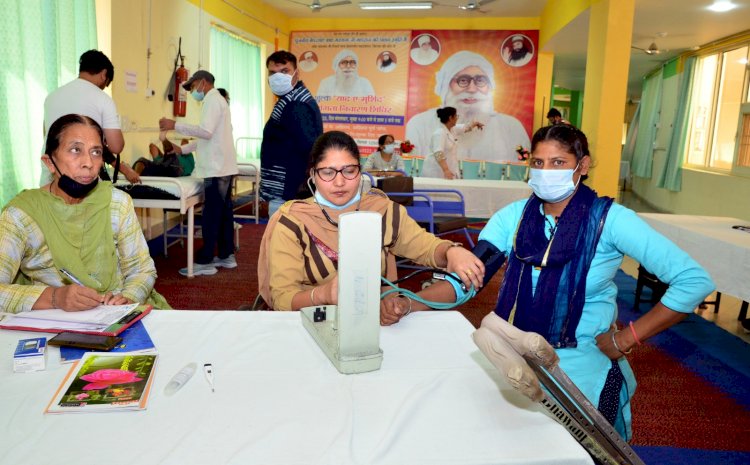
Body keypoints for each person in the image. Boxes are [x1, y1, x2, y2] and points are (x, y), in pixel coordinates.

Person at [403, 124, 715, 440]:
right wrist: (408, 303)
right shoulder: (513, 218)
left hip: (581, 370)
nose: (545, 172)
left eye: (558, 163)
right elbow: (467, 279)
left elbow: (693, 281)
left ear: (583, 165)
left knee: (588, 452)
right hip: (512, 358)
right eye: (538, 163)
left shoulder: (610, 220)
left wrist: (628, 338)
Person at [257, 131, 484, 323]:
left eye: (349, 171)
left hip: (370, 325)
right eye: (327, 172)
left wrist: (451, 251)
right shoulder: (292, 220)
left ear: (360, 171)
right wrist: (324, 295)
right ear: (313, 176)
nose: (339, 182)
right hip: (307, 325)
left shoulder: (382, 210)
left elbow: (424, 247)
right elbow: (283, 298)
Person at [0, 114, 170, 313]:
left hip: (119, 313)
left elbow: (141, 269)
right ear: (49, 162)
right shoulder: (21, 215)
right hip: (54, 317)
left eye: (96, 152)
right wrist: (55, 297)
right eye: (75, 150)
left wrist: (127, 298)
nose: (88, 163)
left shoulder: (117, 203)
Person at [159, 70, 239, 276]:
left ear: (203, 82)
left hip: (217, 168)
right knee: (222, 213)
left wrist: (174, 125)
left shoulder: (213, 101)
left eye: (193, 87)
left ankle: (205, 260)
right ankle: (225, 254)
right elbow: (209, 138)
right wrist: (183, 149)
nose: (194, 92)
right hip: (222, 166)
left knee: (212, 215)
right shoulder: (217, 102)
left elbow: (206, 132)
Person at [406, 51, 530, 163]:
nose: (472, 89)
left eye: (480, 80)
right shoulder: (419, 124)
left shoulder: (511, 127)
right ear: (445, 86)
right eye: (463, 80)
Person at [43, 50, 140, 185]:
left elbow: (47, 134)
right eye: (105, 85)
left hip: (51, 174)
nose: (102, 88)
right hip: (81, 177)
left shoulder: (52, 97)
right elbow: (116, 146)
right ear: (104, 74)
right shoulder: (103, 99)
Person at [261, 50, 324, 218]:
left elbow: (308, 147)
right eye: (272, 73)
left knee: (282, 239)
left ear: (296, 72)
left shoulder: (296, 103)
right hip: (287, 188)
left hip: (289, 189)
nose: (277, 77)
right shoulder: (290, 99)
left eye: (284, 71)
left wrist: (298, 190)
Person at [421, 107, 484, 179]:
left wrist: (476, 124)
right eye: (456, 116)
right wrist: (446, 170)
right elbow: (438, 153)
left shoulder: (453, 129)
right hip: (436, 171)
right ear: (450, 118)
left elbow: (466, 128)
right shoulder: (440, 133)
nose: (457, 118)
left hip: (448, 169)